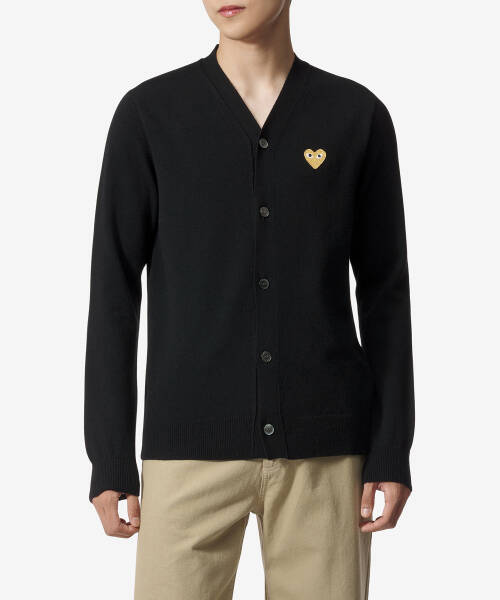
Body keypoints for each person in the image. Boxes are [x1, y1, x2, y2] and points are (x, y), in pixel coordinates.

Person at [84, 1, 415, 598]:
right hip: (186, 452)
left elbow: (385, 292)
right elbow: (113, 291)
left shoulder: (355, 115)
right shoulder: (150, 114)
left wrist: (392, 448)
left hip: (326, 456)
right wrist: (108, 456)